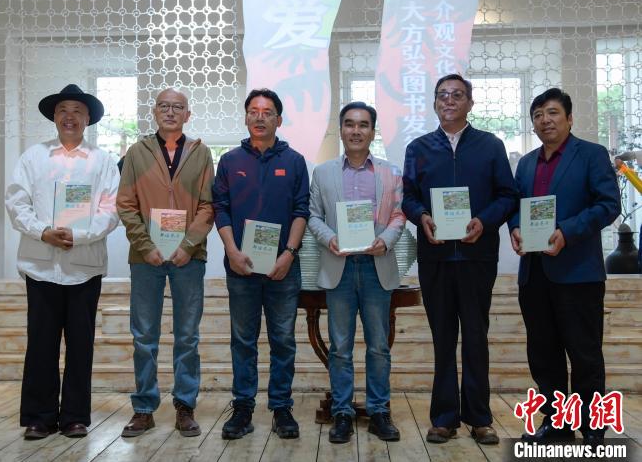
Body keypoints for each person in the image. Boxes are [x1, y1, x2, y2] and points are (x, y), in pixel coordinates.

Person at [402, 74, 518, 445]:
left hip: (476, 256)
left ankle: (480, 418)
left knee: (475, 336)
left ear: (470, 102)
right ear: (434, 103)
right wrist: (422, 216)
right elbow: (408, 196)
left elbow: (507, 195)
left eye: (456, 95)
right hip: (435, 256)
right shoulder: (418, 148)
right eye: (442, 95)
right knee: (442, 338)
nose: (449, 100)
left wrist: (484, 220)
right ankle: (443, 417)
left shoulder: (490, 145)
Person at [5, 84, 119, 440]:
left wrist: (78, 235)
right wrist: (43, 232)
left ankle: (74, 417)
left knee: (81, 346)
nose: (70, 117)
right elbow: (16, 203)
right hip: (41, 265)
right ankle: (39, 417)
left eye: (77, 111)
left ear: (88, 119)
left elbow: (111, 210)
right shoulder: (33, 157)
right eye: (63, 111)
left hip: (84, 266)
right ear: (54, 117)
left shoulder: (102, 161)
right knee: (41, 344)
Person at [509, 88, 620, 445]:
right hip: (534, 273)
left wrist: (566, 233)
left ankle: (592, 426)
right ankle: (556, 424)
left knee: (585, 353)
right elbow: (515, 205)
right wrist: (515, 228)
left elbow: (608, 204)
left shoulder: (591, 155)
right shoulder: (527, 163)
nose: (545, 120)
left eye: (553, 112)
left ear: (570, 118)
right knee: (544, 353)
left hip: (578, 272)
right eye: (538, 115)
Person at [212, 88, 310, 440]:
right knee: (243, 340)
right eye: (253, 111)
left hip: (283, 268)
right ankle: (243, 407)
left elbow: (301, 210)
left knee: (283, 339)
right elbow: (220, 208)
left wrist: (289, 253)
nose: (259, 116)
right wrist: (232, 251)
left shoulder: (295, 161)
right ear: (245, 117)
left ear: (278, 120)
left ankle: (281, 407)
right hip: (241, 267)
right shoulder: (230, 161)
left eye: (267, 112)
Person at [117, 88, 214, 438]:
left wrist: (188, 245)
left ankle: (185, 406)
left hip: (189, 257)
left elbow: (208, 205)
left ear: (187, 114)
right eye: (164, 106)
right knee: (144, 335)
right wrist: (145, 246)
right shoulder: (136, 152)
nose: (170, 112)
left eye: (178, 107)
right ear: (154, 112)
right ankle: (144, 408)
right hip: (146, 258)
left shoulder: (201, 153)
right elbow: (125, 203)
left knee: (187, 335)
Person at [308, 102, 405, 443]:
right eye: (349, 124)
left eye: (363, 125)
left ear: (372, 132)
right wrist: (329, 238)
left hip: (377, 266)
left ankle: (379, 412)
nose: (356, 130)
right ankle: (342, 413)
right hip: (340, 267)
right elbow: (313, 215)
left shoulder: (391, 172)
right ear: (341, 130)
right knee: (340, 347)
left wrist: (386, 240)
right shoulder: (323, 173)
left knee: (378, 346)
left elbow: (398, 214)